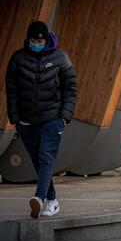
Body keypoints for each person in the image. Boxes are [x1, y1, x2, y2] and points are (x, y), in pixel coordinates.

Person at [5, 20, 77, 219]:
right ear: (27, 40)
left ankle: (39, 198)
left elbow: (71, 88)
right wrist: (15, 119)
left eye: (40, 40)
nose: (37, 43)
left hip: (52, 119)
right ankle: (52, 200)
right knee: (39, 162)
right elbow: (12, 91)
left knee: (46, 157)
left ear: (46, 39)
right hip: (26, 121)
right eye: (33, 40)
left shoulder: (60, 58)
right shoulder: (17, 59)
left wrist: (64, 117)